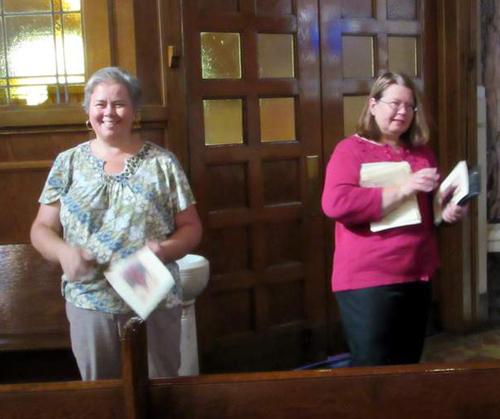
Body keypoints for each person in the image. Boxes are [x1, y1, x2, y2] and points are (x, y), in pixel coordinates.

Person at [30, 66, 202, 380]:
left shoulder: (162, 163)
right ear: (88, 110)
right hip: (89, 297)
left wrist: (163, 250)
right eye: (100, 104)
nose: (109, 112)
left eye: (119, 103)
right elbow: (41, 229)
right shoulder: (67, 163)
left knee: (160, 387)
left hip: (151, 293)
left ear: (135, 111)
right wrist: (64, 253)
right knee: (101, 394)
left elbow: (191, 228)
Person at [321, 72, 466, 367]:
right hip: (369, 279)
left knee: (406, 365)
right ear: (373, 105)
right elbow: (336, 204)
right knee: (374, 370)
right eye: (394, 103)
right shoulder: (350, 150)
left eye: (410, 106)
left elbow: (426, 212)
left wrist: (446, 213)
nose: (402, 112)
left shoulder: (420, 152)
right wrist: (402, 188)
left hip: (416, 274)